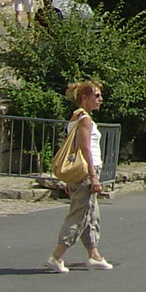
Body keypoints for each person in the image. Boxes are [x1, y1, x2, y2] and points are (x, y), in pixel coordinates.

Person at [47, 81, 114, 270]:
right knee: (80, 214)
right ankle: (57, 256)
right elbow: (84, 148)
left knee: (92, 214)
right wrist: (93, 176)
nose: (100, 99)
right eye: (96, 96)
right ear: (84, 98)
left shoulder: (76, 117)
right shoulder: (84, 119)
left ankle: (94, 255)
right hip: (86, 171)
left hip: (82, 172)